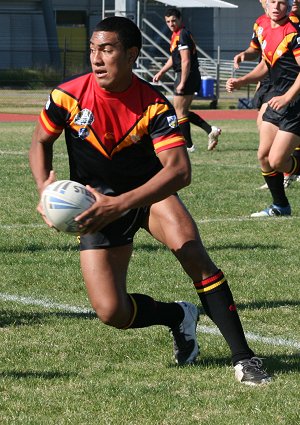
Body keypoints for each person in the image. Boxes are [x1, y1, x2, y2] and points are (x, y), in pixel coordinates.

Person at [29, 16, 270, 385]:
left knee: (193, 253)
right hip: (97, 207)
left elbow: (178, 172)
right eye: (93, 49)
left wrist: (124, 203)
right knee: (112, 311)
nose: (96, 57)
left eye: (107, 49)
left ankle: (245, 358)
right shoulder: (68, 96)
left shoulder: (153, 105)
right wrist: (44, 188)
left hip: (150, 193)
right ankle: (178, 317)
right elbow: (40, 141)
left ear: (130, 55)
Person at [226, 0, 300, 217]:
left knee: (278, 161)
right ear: (264, 3)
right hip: (277, 100)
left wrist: (287, 97)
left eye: (281, 2)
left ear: (288, 5)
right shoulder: (261, 26)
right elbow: (267, 64)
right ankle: (280, 206)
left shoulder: (294, 33)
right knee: (264, 156)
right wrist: (242, 81)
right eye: (272, 2)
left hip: (295, 103)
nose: (276, 6)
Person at [152, 7, 221, 153]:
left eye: (173, 20)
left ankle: (189, 146)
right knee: (181, 111)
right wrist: (161, 72)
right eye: (168, 21)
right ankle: (210, 130)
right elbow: (174, 58)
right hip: (188, 74)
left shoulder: (182, 34)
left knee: (179, 112)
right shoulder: (176, 34)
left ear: (180, 19)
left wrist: (182, 82)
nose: (171, 24)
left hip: (186, 74)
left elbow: (185, 60)